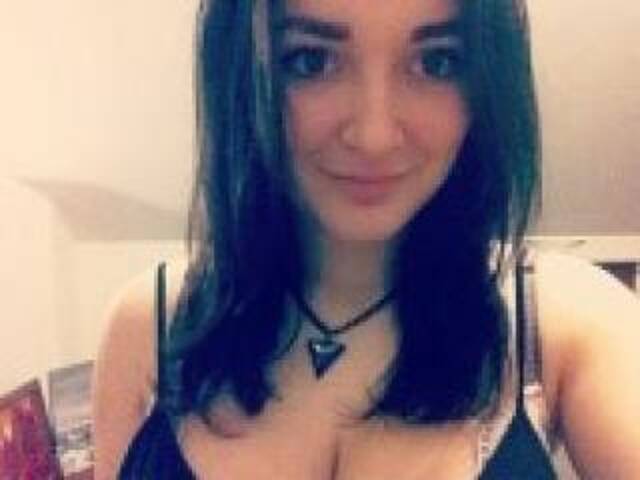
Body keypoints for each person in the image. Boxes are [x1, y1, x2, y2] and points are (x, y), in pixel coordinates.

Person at [92, 0, 640, 478]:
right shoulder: (148, 329)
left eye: (437, 62)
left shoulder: (566, 325)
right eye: (310, 61)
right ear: (241, 75)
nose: (375, 136)